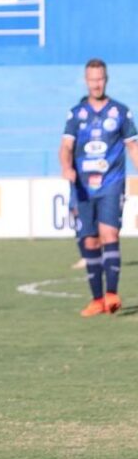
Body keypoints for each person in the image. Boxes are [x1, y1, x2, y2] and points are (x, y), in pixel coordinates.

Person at [60, 59, 138, 316]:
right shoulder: (75, 114)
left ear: (106, 79)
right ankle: (96, 299)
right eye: (92, 79)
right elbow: (66, 147)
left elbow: (133, 147)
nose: (97, 83)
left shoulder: (121, 112)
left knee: (110, 234)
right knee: (90, 242)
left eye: (101, 78)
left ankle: (112, 294)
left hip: (111, 183)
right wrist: (66, 167)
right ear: (86, 80)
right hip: (82, 187)